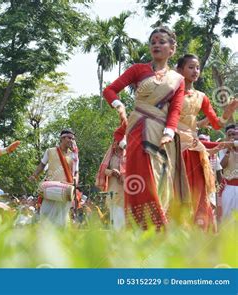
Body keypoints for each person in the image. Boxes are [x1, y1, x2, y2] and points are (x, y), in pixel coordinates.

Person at [103, 27, 189, 230]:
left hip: (162, 134)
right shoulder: (138, 70)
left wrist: (169, 132)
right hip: (137, 129)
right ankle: (139, 227)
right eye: (153, 42)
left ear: (172, 48)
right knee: (140, 177)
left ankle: (161, 228)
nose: (156, 45)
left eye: (161, 41)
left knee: (161, 177)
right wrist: (119, 105)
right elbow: (110, 90)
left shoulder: (178, 80)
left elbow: (175, 109)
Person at [175, 54, 237, 230]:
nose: (195, 71)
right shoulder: (171, 94)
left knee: (198, 194)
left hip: (194, 150)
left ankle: (200, 236)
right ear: (180, 70)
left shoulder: (202, 96)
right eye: (191, 67)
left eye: (197, 68)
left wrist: (228, 112)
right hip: (174, 147)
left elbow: (217, 124)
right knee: (176, 193)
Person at [29, 129, 79, 227]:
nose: (72, 141)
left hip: (65, 189)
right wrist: (34, 175)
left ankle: (60, 239)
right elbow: (42, 165)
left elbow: (76, 172)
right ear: (62, 138)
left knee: (62, 217)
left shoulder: (74, 155)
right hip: (50, 188)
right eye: (69, 138)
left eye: (73, 139)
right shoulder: (50, 151)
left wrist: (75, 182)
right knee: (46, 214)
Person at [95, 124, 127, 230]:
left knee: (125, 217)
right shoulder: (110, 156)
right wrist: (111, 172)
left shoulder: (129, 155)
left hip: (127, 190)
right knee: (115, 216)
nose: (117, 143)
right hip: (113, 190)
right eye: (116, 141)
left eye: (119, 141)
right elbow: (102, 170)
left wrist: (124, 174)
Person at [218, 125, 238, 222]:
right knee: (227, 219)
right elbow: (222, 166)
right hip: (229, 188)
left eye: (234, 134)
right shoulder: (223, 149)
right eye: (230, 135)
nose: (233, 137)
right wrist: (229, 151)